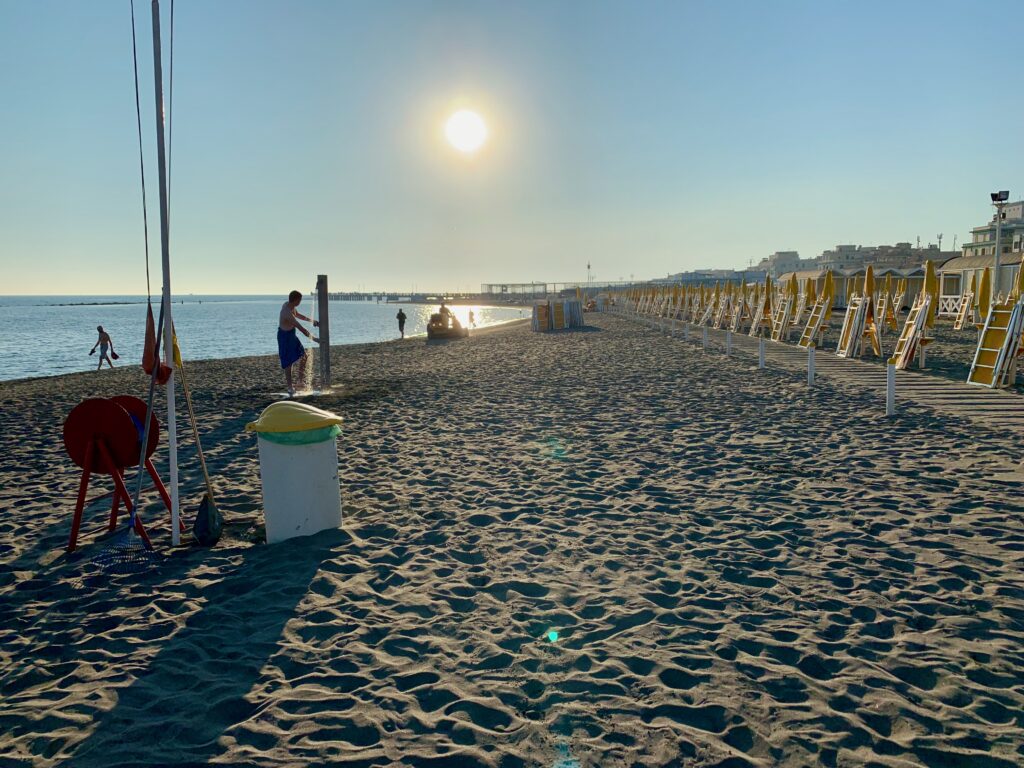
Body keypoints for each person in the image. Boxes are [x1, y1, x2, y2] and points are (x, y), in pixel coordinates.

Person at [278, 290, 318, 396]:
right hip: (284, 337)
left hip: (291, 335)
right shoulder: (286, 312)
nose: (300, 302)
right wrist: (314, 339)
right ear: (295, 300)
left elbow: (298, 315)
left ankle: (300, 381)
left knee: (304, 356)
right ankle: (290, 388)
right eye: (299, 300)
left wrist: (312, 321)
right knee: (288, 363)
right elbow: (300, 328)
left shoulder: (290, 306)